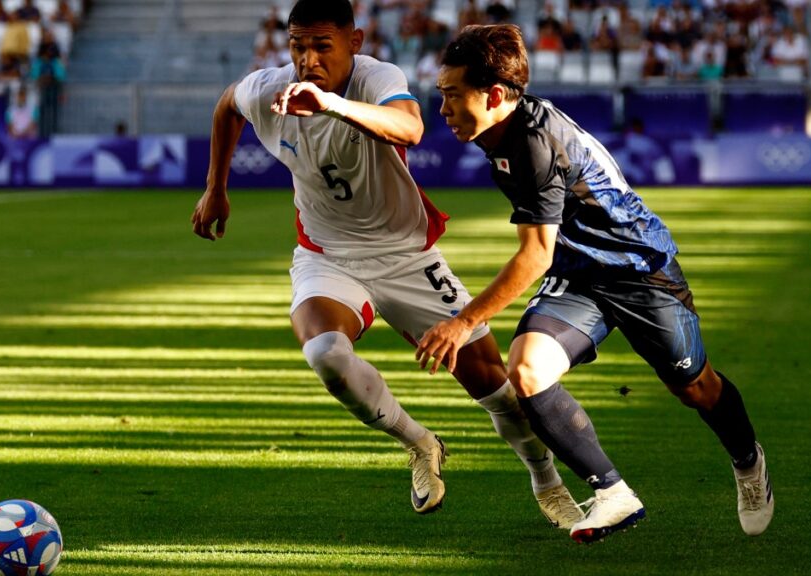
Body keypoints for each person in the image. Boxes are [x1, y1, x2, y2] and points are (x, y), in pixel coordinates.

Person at [191, 0, 585, 529]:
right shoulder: (270, 88)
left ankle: (547, 482)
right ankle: (420, 443)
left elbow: (410, 127)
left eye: (321, 46)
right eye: (297, 45)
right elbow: (226, 106)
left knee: (493, 385)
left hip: (406, 254)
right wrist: (216, 188)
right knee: (326, 354)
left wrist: (330, 104)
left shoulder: (378, 77)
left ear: (353, 42)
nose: (307, 59)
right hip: (326, 255)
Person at [419, 24, 774, 544]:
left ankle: (748, 462)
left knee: (696, 388)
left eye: (452, 95)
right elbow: (550, 251)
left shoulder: (534, 143)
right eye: (441, 95)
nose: (443, 109)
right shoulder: (500, 129)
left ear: (494, 95)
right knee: (527, 369)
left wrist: (464, 320)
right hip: (580, 276)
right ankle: (612, 494)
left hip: (640, 270)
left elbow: (535, 254)